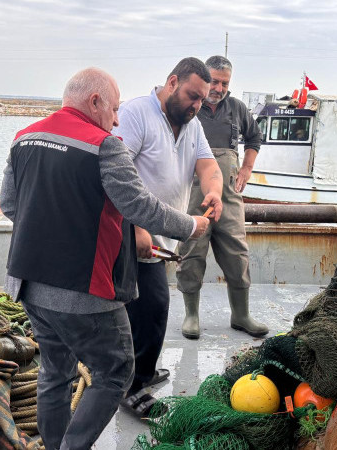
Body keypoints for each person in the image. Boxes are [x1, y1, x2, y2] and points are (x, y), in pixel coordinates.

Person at [0, 67, 210, 450]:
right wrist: (190, 225)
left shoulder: (22, 138)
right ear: (94, 101)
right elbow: (141, 208)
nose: (117, 119)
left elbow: (11, 205)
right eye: (114, 109)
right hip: (81, 291)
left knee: (55, 372)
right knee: (116, 371)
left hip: (28, 283)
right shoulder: (104, 145)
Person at [112, 57, 224, 417]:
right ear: (172, 82)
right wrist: (135, 227)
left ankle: (137, 372)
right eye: (192, 96)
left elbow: (207, 165)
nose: (196, 106)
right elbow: (116, 175)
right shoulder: (135, 114)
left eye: (202, 101)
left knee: (145, 307)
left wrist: (214, 191)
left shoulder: (191, 125)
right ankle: (132, 387)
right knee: (152, 306)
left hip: (161, 240)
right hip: (129, 234)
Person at [175, 55, 269, 340]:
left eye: (224, 83)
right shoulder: (190, 106)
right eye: (214, 81)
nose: (218, 88)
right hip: (192, 195)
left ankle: (241, 315)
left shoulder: (237, 108)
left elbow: (254, 139)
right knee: (191, 253)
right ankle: (191, 315)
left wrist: (246, 168)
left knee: (237, 254)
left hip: (229, 197)